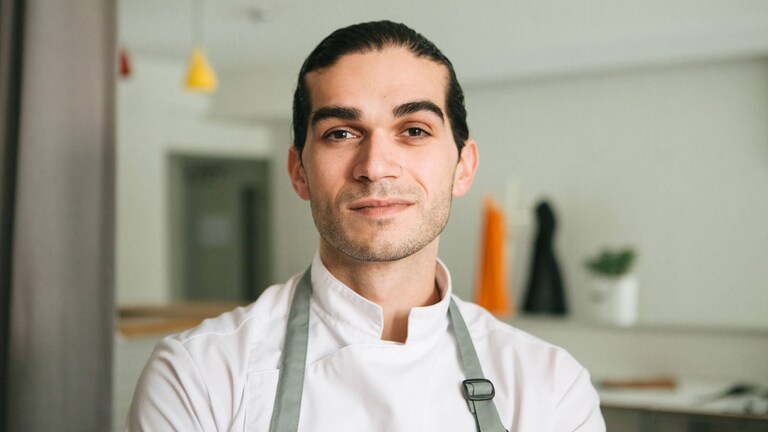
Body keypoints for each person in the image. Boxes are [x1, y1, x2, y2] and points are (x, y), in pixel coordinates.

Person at [126, 21, 605, 432]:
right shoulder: (199, 376)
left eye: (414, 130)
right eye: (341, 133)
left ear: (463, 167)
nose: (375, 166)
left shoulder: (551, 388)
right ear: (299, 172)